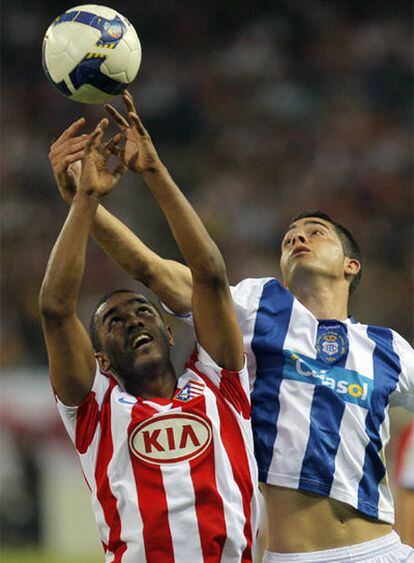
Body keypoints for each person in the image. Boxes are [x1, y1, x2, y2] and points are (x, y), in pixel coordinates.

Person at [50, 91, 414, 562]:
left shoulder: (390, 348)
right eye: (289, 238)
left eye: (315, 232)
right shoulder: (254, 305)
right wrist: (85, 205)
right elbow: (153, 270)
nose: (298, 236)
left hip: (382, 549)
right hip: (294, 554)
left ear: (351, 265)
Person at [40, 111, 260, 562]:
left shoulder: (220, 384)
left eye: (143, 311)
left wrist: (155, 173)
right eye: (114, 322)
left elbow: (210, 277)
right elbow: (56, 310)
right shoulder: (95, 412)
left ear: (170, 333)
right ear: (101, 360)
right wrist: (84, 198)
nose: (134, 320)